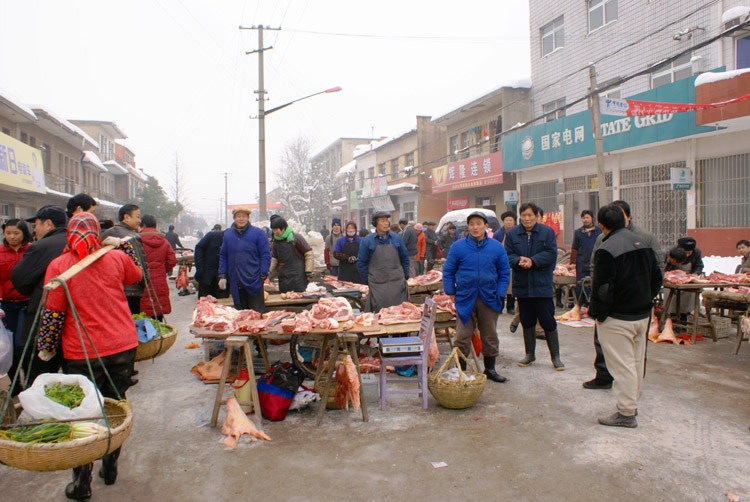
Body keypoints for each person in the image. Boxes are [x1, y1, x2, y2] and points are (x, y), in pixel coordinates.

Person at [36, 212, 142, 500]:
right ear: (98, 233)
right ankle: (110, 466)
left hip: (81, 353)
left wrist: (46, 345)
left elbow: (53, 312)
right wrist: (122, 245)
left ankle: (81, 481)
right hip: (121, 346)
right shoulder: (116, 258)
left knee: (82, 414)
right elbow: (137, 274)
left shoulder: (59, 266)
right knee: (115, 405)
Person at [589, 204, 662, 428]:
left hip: (617, 318)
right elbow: (656, 277)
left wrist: (598, 314)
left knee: (622, 366)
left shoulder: (606, 248)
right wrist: (645, 300)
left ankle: (627, 412)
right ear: (625, 220)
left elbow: (602, 288)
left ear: (601, 225)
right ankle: (631, 402)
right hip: (641, 315)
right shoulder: (643, 244)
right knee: (636, 361)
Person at [442, 211, 511, 382]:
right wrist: (450, 291)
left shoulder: (496, 247)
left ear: (486, 226)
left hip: (489, 297)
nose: (475, 227)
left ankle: (490, 369)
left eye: (478, 223)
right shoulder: (458, 247)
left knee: (490, 335)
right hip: (465, 297)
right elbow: (448, 270)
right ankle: (460, 371)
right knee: (461, 336)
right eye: (471, 224)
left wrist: (501, 294)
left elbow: (504, 272)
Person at [10, 206, 68, 392]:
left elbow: (20, 280)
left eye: (36, 224)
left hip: (44, 320)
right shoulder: (77, 243)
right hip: (77, 322)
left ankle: (40, 415)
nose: (34, 230)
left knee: (39, 374)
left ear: (48, 224)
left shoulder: (40, 246)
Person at [505, 202, 564, 370]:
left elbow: (551, 254)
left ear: (537, 216)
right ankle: (530, 354)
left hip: (541, 285)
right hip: (522, 285)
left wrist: (533, 261)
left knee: (548, 320)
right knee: (527, 320)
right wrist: (519, 261)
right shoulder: (513, 234)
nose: (527, 218)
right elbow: (507, 255)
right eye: (523, 215)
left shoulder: (547, 232)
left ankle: (556, 357)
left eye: (530, 215)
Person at [218, 207, 271, 311]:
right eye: (238, 216)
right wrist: (222, 274)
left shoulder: (258, 233)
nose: (241, 219)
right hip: (235, 280)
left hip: (254, 279)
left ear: (248, 218)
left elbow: (265, 254)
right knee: (240, 314)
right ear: (234, 218)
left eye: (244, 216)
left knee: (256, 314)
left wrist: (263, 272)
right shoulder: (228, 235)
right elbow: (223, 255)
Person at [357, 211, 410, 312]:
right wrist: (367, 280)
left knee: (398, 313)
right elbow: (361, 263)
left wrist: (405, 276)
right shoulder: (367, 241)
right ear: (375, 224)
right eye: (382, 221)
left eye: (387, 221)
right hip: (377, 285)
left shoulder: (396, 238)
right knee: (380, 314)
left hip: (397, 283)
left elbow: (405, 258)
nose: (386, 223)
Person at [102, 204, 145, 316]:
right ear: (126, 217)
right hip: (131, 290)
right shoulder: (132, 237)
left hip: (111, 290)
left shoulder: (108, 233)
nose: (139, 221)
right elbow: (140, 263)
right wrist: (144, 282)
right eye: (137, 217)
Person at [1, 219, 32, 367]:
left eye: (16, 233)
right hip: (6, 304)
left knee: (22, 343)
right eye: (8, 233)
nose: (12, 237)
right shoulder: (0, 251)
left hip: (26, 303)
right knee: (9, 345)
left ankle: (27, 380)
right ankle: (15, 383)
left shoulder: (32, 251)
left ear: (24, 234)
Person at [138, 215, 177, 320]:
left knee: (143, 312)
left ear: (143, 225)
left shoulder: (137, 240)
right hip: (159, 278)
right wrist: (162, 270)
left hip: (141, 278)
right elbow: (172, 260)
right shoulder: (164, 241)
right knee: (158, 309)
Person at [269, 216, 314, 293]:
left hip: (298, 275)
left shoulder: (296, 238)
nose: (275, 232)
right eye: (273, 230)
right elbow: (274, 258)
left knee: (298, 297)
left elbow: (308, 253)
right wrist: (268, 272)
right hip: (283, 276)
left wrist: (308, 271)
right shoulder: (276, 241)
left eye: (276, 229)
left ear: (283, 228)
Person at [570, 210, 602, 307]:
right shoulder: (578, 232)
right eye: (584, 218)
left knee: (593, 284)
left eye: (587, 217)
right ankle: (580, 304)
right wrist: (572, 262)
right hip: (581, 262)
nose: (585, 220)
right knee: (580, 285)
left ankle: (592, 305)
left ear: (592, 218)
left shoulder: (598, 231)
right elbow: (574, 248)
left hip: (594, 261)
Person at [194, 224, 229, 299]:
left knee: (222, 305)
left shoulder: (236, 241)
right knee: (205, 303)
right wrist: (200, 268)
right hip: (206, 275)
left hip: (223, 277)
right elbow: (199, 248)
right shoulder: (212, 236)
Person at [493, 211, 517, 314]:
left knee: (511, 286)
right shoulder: (498, 234)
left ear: (514, 222)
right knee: (501, 285)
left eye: (510, 220)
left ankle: (510, 307)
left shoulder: (517, 233)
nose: (508, 222)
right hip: (500, 262)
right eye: (507, 220)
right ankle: (500, 306)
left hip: (513, 261)